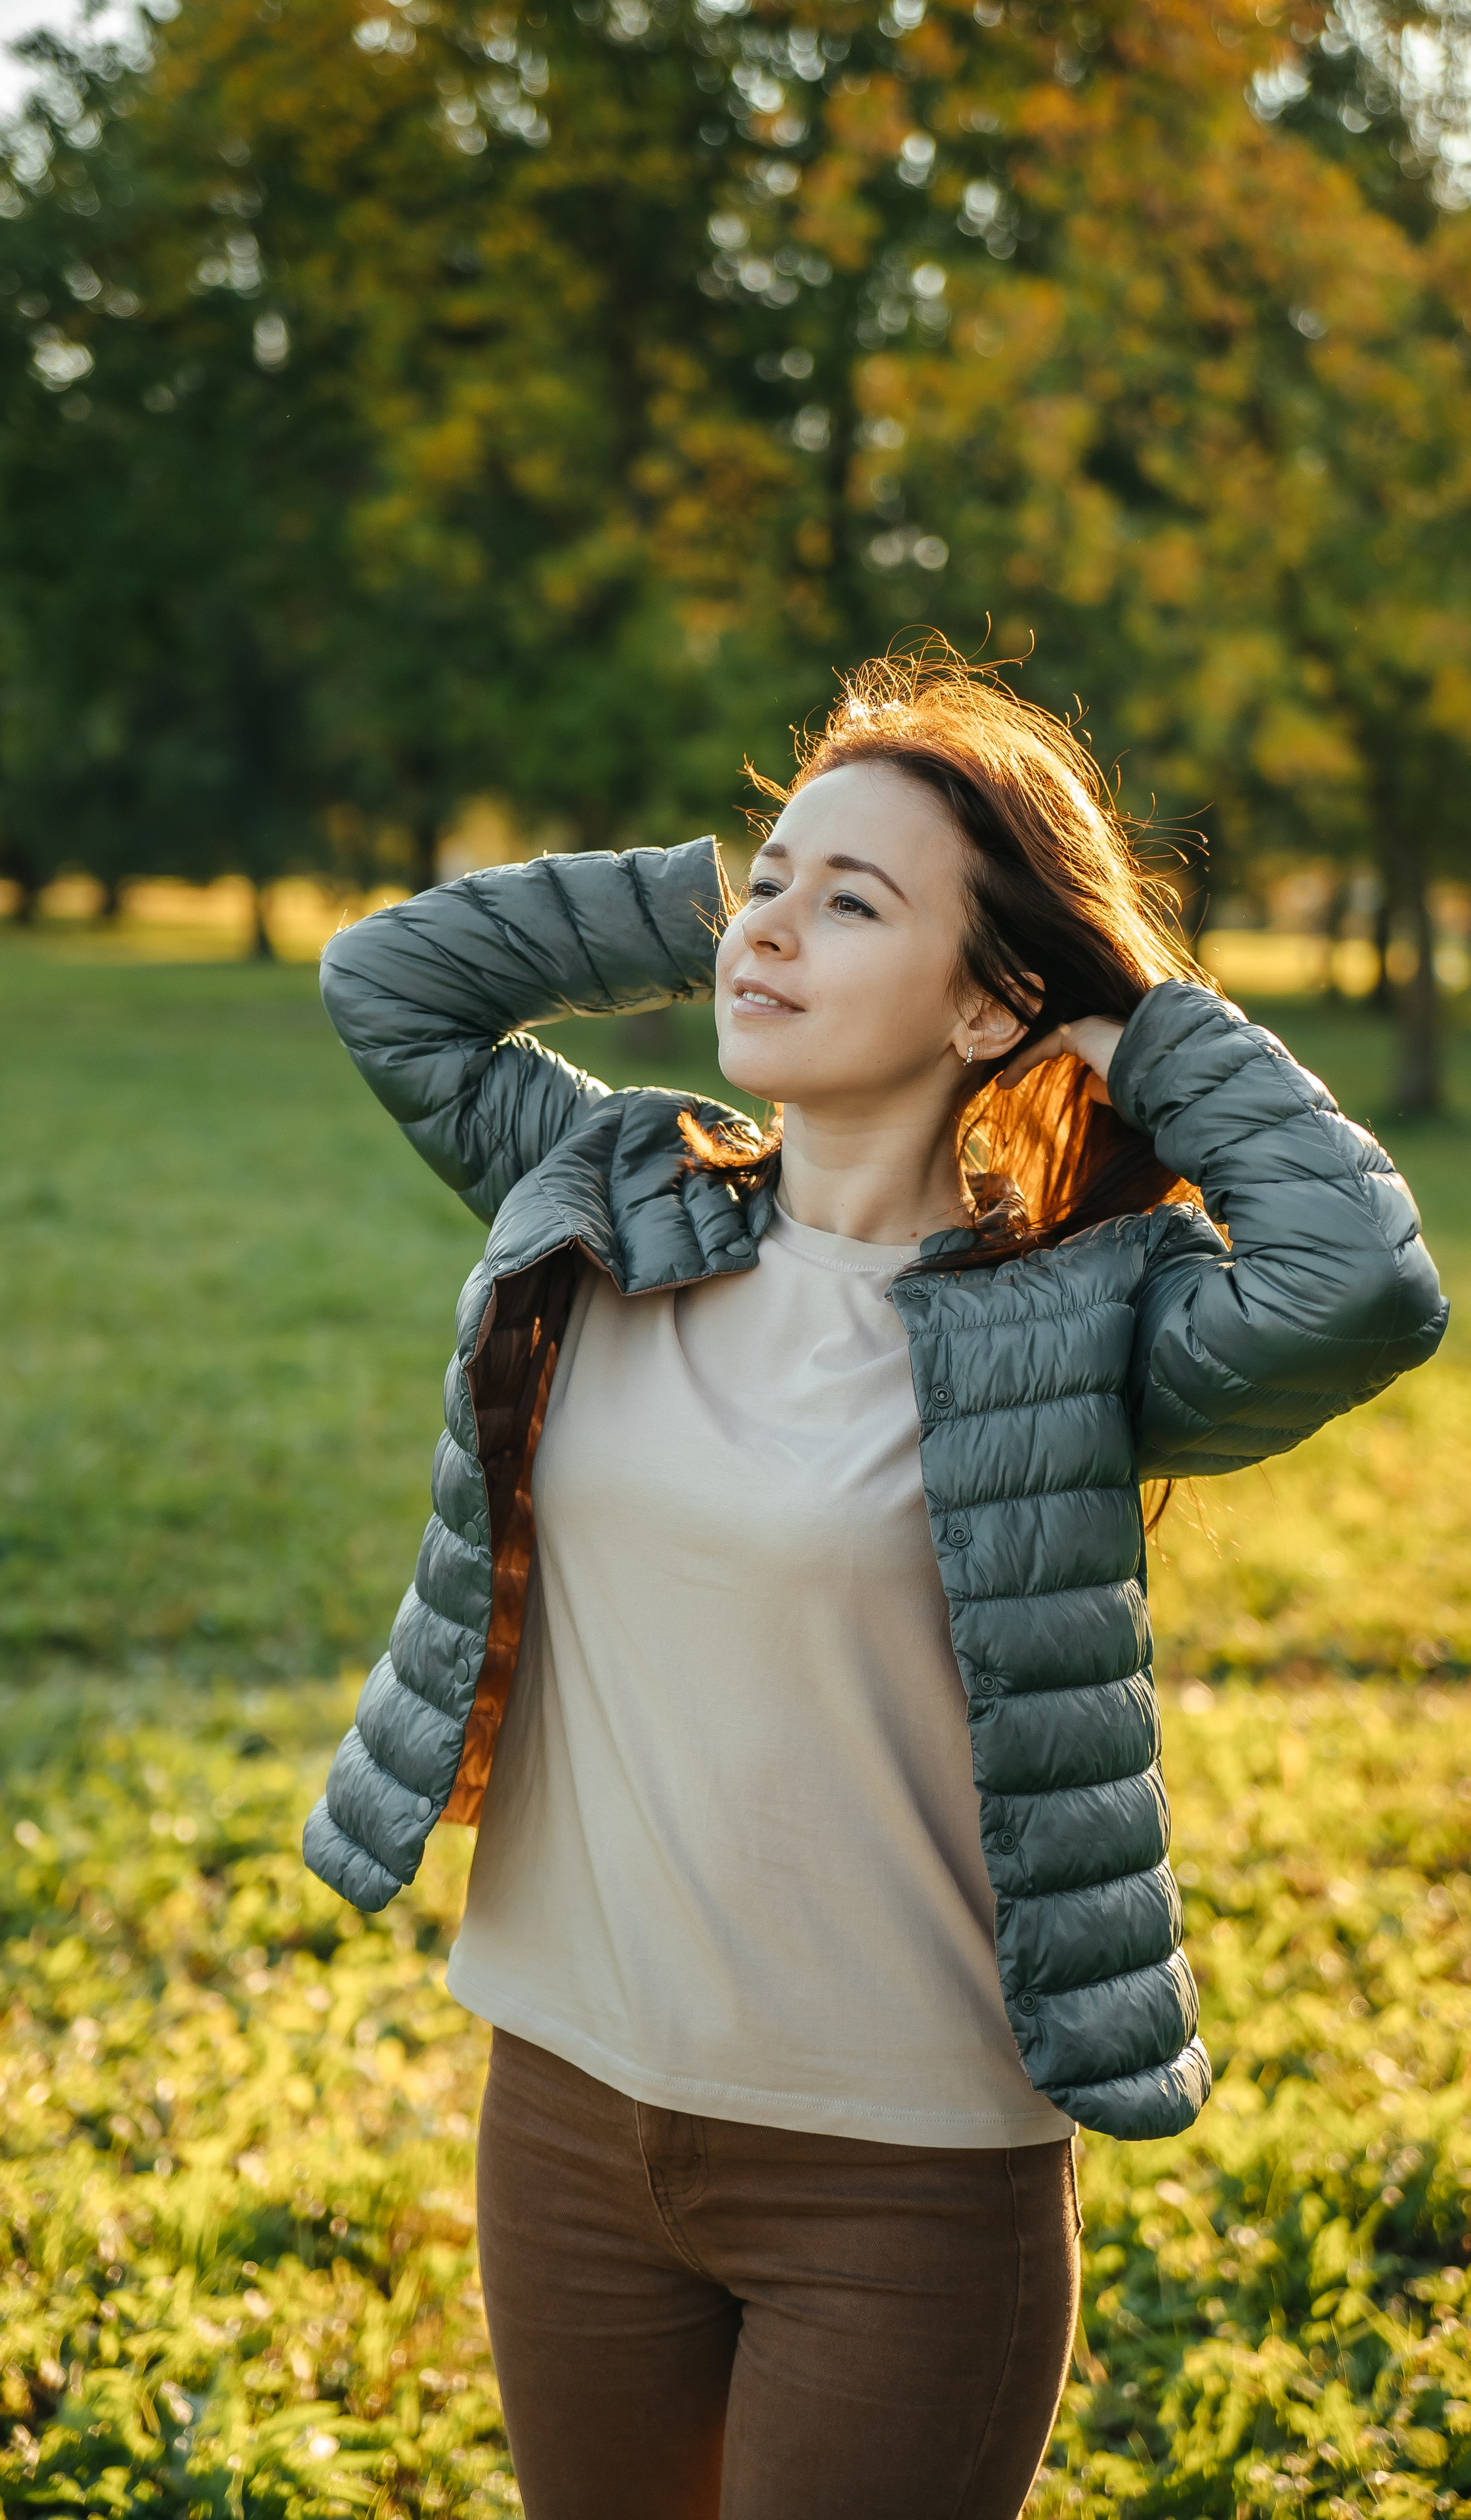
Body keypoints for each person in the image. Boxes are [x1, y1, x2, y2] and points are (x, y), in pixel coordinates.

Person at [303, 652, 1445, 2520]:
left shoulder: (1079, 1320)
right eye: (774, 883)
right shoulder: (614, 1192)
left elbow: (1364, 1289)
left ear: (993, 1002)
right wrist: (697, 904)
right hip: (571, 2109)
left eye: (851, 903)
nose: (773, 928)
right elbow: (393, 986)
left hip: (903, 2173)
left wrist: (1149, 1034)